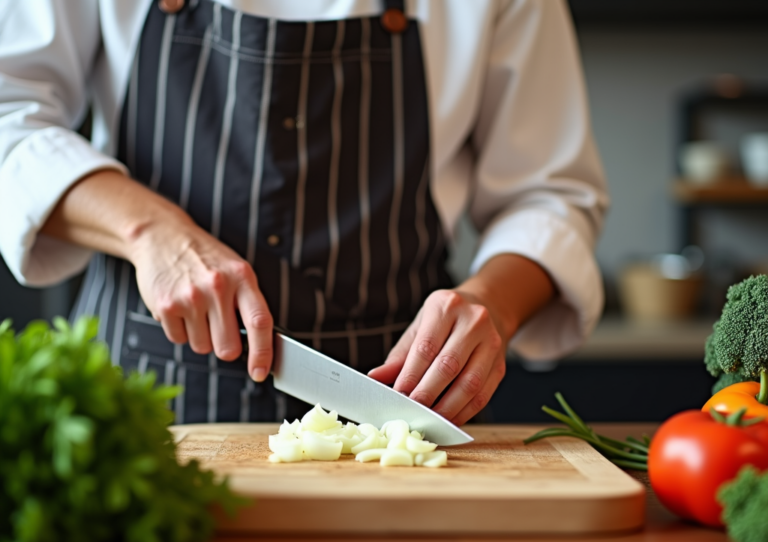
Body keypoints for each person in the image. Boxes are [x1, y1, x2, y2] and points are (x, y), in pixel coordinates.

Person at [0, 0, 608, 425]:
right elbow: (10, 112)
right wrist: (149, 230)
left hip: (395, 402)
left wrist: (494, 304)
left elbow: (550, 194)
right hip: (140, 399)